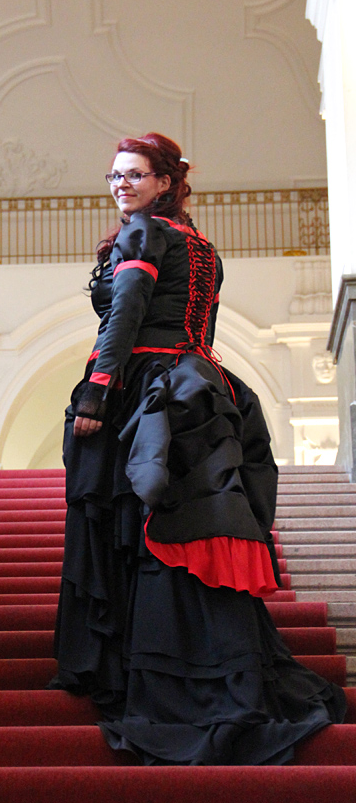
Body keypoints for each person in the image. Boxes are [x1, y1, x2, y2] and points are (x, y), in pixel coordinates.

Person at [50, 132, 346, 764]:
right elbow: (199, 329)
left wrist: (98, 391)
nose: (121, 185)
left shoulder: (143, 234)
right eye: (114, 176)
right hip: (198, 385)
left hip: (147, 389)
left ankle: (147, 671)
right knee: (182, 527)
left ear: (165, 182)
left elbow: (125, 315)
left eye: (134, 175)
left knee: (147, 524)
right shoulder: (202, 245)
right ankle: (202, 664)